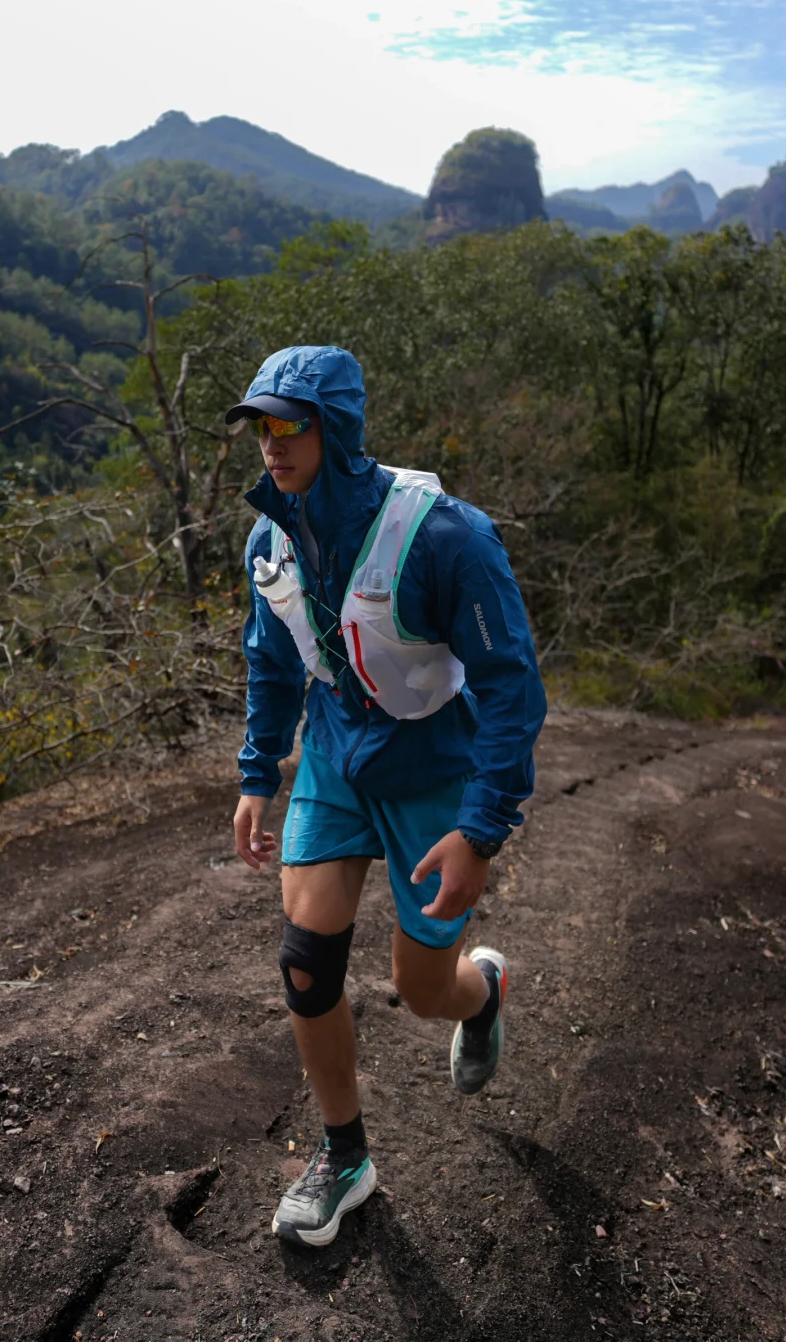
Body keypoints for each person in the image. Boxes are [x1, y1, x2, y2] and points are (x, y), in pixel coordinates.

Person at [229, 345, 546, 1248]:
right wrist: (259, 774)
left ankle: (481, 994)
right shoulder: (271, 536)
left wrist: (480, 830)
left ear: (338, 430)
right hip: (336, 758)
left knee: (420, 986)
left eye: (289, 425)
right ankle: (345, 1159)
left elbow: (512, 686)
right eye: (259, 426)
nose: (270, 445)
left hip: (433, 770)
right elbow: (272, 657)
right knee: (306, 964)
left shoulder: (447, 537)